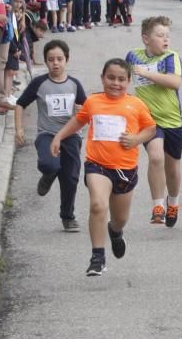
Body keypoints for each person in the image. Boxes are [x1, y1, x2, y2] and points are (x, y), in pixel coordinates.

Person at [49, 58, 157, 276]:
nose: (115, 83)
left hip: (125, 169)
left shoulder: (135, 104)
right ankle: (97, 256)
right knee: (98, 205)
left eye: (121, 79)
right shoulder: (93, 102)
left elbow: (151, 129)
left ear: (128, 81)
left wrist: (136, 139)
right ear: (102, 78)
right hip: (97, 165)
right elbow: (79, 121)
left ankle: (115, 232)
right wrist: (59, 136)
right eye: (110, 78)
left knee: (120, 219)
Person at [14, 39, 87, 231]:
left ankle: (68, 217)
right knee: (50, 164)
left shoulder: (74, 84)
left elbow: (87, 111)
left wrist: (81, 110)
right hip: (46, 134)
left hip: (70, 136)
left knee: (70, 177)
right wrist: (19, 129)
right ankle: (47, 175)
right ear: (46, 62)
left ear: (66, 60)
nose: (55, 63)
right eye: (51, 59)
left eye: (59, 59)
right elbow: (20, 104)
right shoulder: (39, 83)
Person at [125, 15, 182, 227]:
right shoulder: (133, 57)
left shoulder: (171, 57)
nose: (165, 39)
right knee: (156, 157)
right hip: (149, 120)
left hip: (172, 120)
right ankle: (158, 205)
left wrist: (147, 74)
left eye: (167, 36)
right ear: (146, 38)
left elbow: (174, 82)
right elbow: (121, 78)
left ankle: (173, 202)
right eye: (160, 35)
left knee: (172, 168)